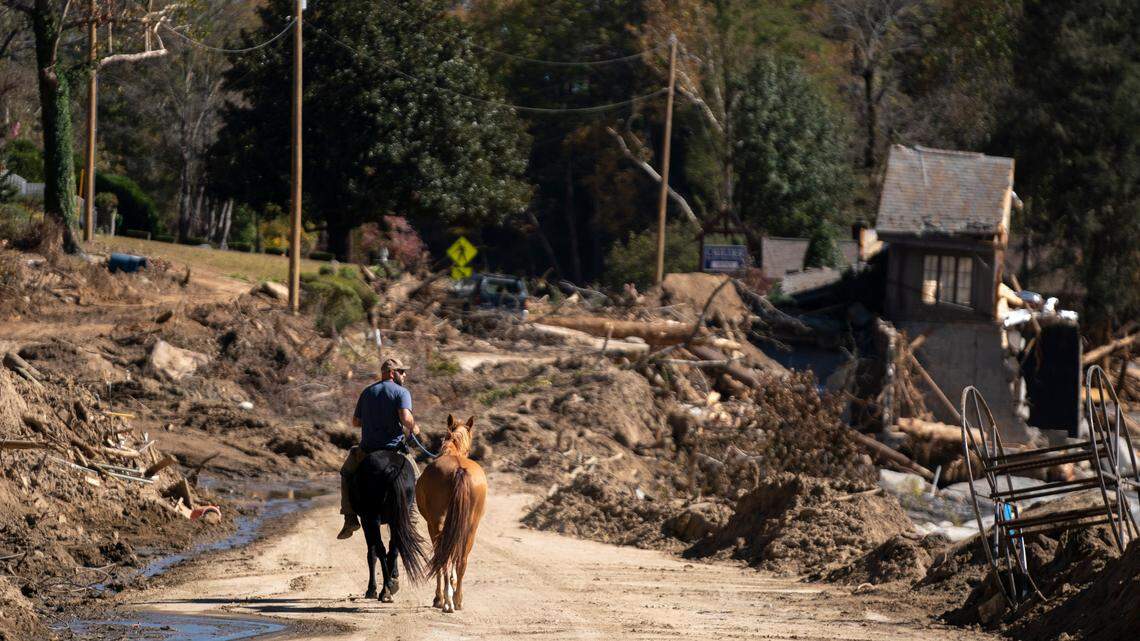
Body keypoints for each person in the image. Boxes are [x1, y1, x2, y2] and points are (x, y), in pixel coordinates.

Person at [337, 357, 421, 540]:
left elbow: (355, 421)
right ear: (392, 373)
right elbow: (406, 418)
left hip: (367, 450)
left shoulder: (367, 392)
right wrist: (414, 427)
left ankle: (350, 517)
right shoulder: (402, 392)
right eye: (401, 371)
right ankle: (411, 519)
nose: (404, 375)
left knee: (346, 473)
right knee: (416, 477)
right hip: (395, 450)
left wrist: (373, 420)